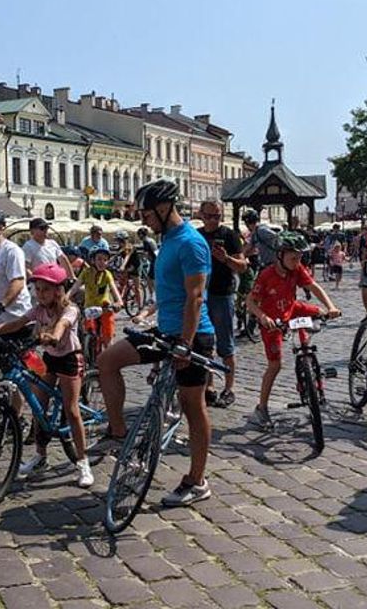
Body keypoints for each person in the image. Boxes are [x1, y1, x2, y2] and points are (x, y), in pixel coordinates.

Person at [98, 179, 216, 507]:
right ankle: (118, 432)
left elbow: (194, 297)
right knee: (107, 361)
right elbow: (170, 291)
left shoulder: (191, 242)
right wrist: (150, 312)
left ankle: (197, 480)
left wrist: (186, 344)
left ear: (165, 208)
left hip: (192, 337)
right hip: (165, 332)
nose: (142, 220)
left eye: (146, 213)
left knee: (193, 406)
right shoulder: (167, 240)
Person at [0, 264, 93, 488]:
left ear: (59, 290)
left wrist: (52, 336)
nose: (40, 294)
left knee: (71, 410)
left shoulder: (70, 309)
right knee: (39, 407)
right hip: (50, 359)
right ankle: (40, 456)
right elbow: (17, 323)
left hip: (70, 359)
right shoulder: (38, 309)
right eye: (37, 289)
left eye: (45, 290)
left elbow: (62, 325)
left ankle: (83, 461)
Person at [246, 231, 341, 427]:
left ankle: (308, 373)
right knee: (275, 365)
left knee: (318, 315)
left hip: (292, 309)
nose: (297, 261)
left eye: (299, 257)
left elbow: (314, 287)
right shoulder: (266, 275)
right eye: (293, 258)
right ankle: (261, 409)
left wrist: (330, 307)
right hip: (272, 319)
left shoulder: (297, 269)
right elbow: (250, 301)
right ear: (280, 255)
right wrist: (263, 317)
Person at [197, 198, 247, 408]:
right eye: (208, 216)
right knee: (203, 343)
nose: (212, 220)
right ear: (201, 215)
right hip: (201, 294)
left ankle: (229, 388)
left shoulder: (229, 235)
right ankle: (208, 386)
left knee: (226, 343)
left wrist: (226, 259)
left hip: (222, 293)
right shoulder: (196, 235)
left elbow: (243, 266)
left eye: (216, 216)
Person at [74, 246, 123, 353]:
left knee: (108, 337)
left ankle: (109, 359)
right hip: (90, 308)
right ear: (92, 260)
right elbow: (75, 287)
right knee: (88, 330)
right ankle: (88, 353)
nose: (102, 262)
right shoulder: (86, 273)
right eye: (99, 259)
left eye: (105, 260)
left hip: (105, 308)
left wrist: (119, 301)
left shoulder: (107, 274)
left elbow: (113, 289)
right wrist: (66, 298)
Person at [136, 227, 158, 304]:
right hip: (157, 260)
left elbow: (145, 254)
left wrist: (139, 258)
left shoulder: (145, 241)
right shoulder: (151, 240)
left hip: (154, 261)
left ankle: (153, 297)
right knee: (152, 279)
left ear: (141, 235)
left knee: (150, 279)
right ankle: (154, 296)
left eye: (139, 235)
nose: (138, 237)